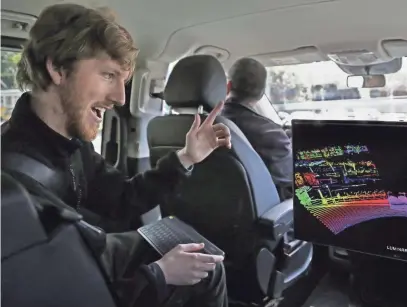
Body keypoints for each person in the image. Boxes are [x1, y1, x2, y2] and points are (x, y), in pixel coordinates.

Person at [1, 3, 231, 307]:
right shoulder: (12, 175)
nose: (120, 98)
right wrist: (158, 275)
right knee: (207, 271)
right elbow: (55, 284)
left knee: (204, 261)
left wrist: (187, 157)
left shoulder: (72, 145)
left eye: (122, 81)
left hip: (97, 262)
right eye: (108, 75)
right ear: (57, 68)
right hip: (85, 284)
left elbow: (123, 199)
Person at [221, 57, 293, 199]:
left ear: (228, 87)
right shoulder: (270, 134)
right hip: (262, 216)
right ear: (261, 93)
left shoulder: (199, 128)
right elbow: (289, 185)